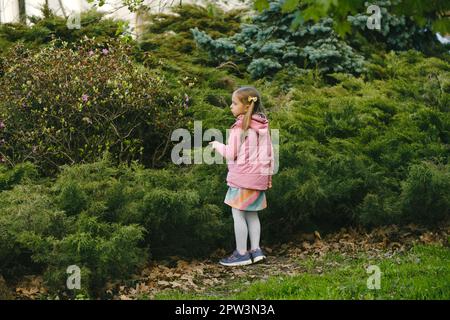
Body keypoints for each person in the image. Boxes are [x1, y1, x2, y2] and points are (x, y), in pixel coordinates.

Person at [209, 86, 274, 267]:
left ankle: (242, 253)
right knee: (252, 215)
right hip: (257, 179)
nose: (231, 106)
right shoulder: (262, 126)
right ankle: (256, 250)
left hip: (242, 180)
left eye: (234, 103)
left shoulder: (241, 127)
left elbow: (231, 153)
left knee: (238, 214)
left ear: (246, 106)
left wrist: (217, 145)